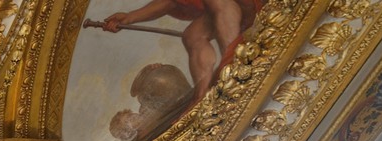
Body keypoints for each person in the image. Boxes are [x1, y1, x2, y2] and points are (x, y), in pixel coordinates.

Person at [96, 0, 262, 99]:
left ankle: (235, 60)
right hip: (227, 9)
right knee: (192, 35)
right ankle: (203, 94)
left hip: (247, 4)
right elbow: (169, 2)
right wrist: (129, 17)